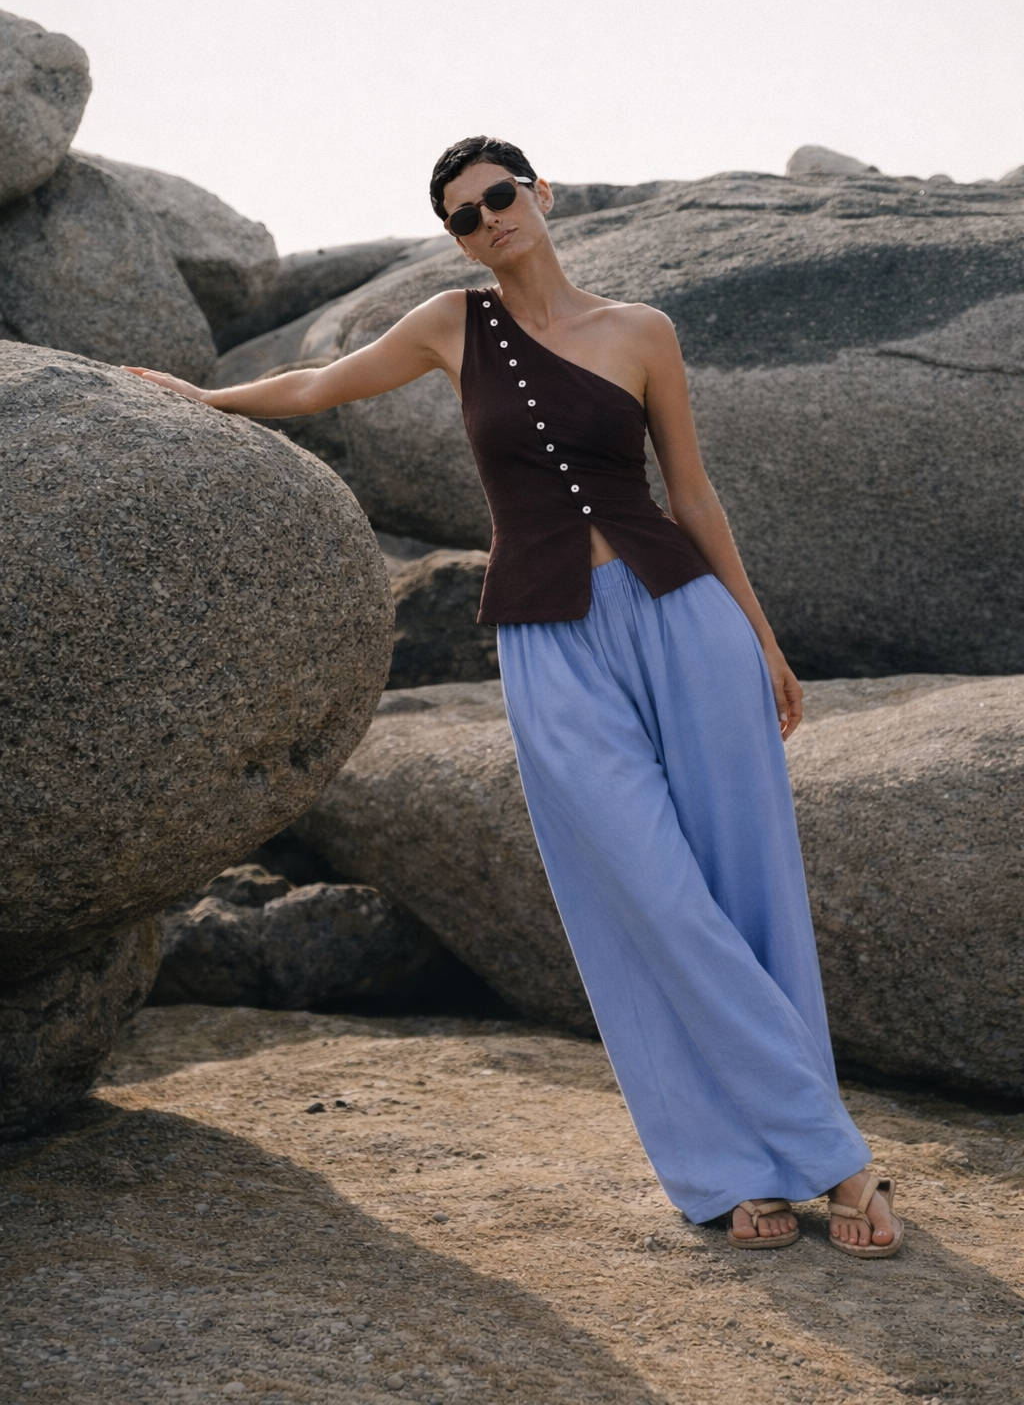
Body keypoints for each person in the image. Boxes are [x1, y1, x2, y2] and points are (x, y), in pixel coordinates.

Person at [129, 135, 902, 1258]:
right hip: (548, 639)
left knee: (746, 893)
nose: (487, 220)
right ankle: (809, 1160)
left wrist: (763, 640)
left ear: (539, 196)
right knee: (646, 898)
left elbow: (691, 492)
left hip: (684, 622)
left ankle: (769, 1162)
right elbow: (318, 384)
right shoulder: (453, 324)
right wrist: (205, 395)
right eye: (462, 215)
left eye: (500, 197)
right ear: (452, 236)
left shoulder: (643, 332)